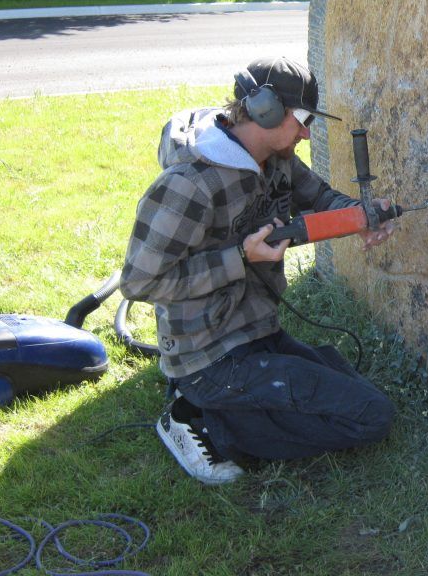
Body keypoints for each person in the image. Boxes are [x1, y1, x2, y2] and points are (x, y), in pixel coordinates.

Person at [120, 56, 396, 485]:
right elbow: (139, 282)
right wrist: (241, 258)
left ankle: (225, 406)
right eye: (302, 119)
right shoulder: (189, 185)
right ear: (265, 110)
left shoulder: (276, 156)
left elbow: (320, 198)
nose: (307, 132)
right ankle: (203, 422)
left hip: (256, 333)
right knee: (370, 416)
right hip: (209, 356)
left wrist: (360, 216)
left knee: (348, 384)